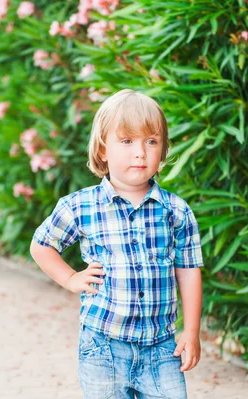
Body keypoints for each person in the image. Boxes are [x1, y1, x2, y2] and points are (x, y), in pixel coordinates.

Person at [30, 89, 204, 398]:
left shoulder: (175, 211)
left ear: (162, 150)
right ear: (102, 150)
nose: (140, 152)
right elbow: (42, 245)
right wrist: (70, 278)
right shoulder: (81, 206)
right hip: (104, 347)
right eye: (126, 141)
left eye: (151, 141)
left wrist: (191, 331)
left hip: (161, 348)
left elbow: (188, 270)